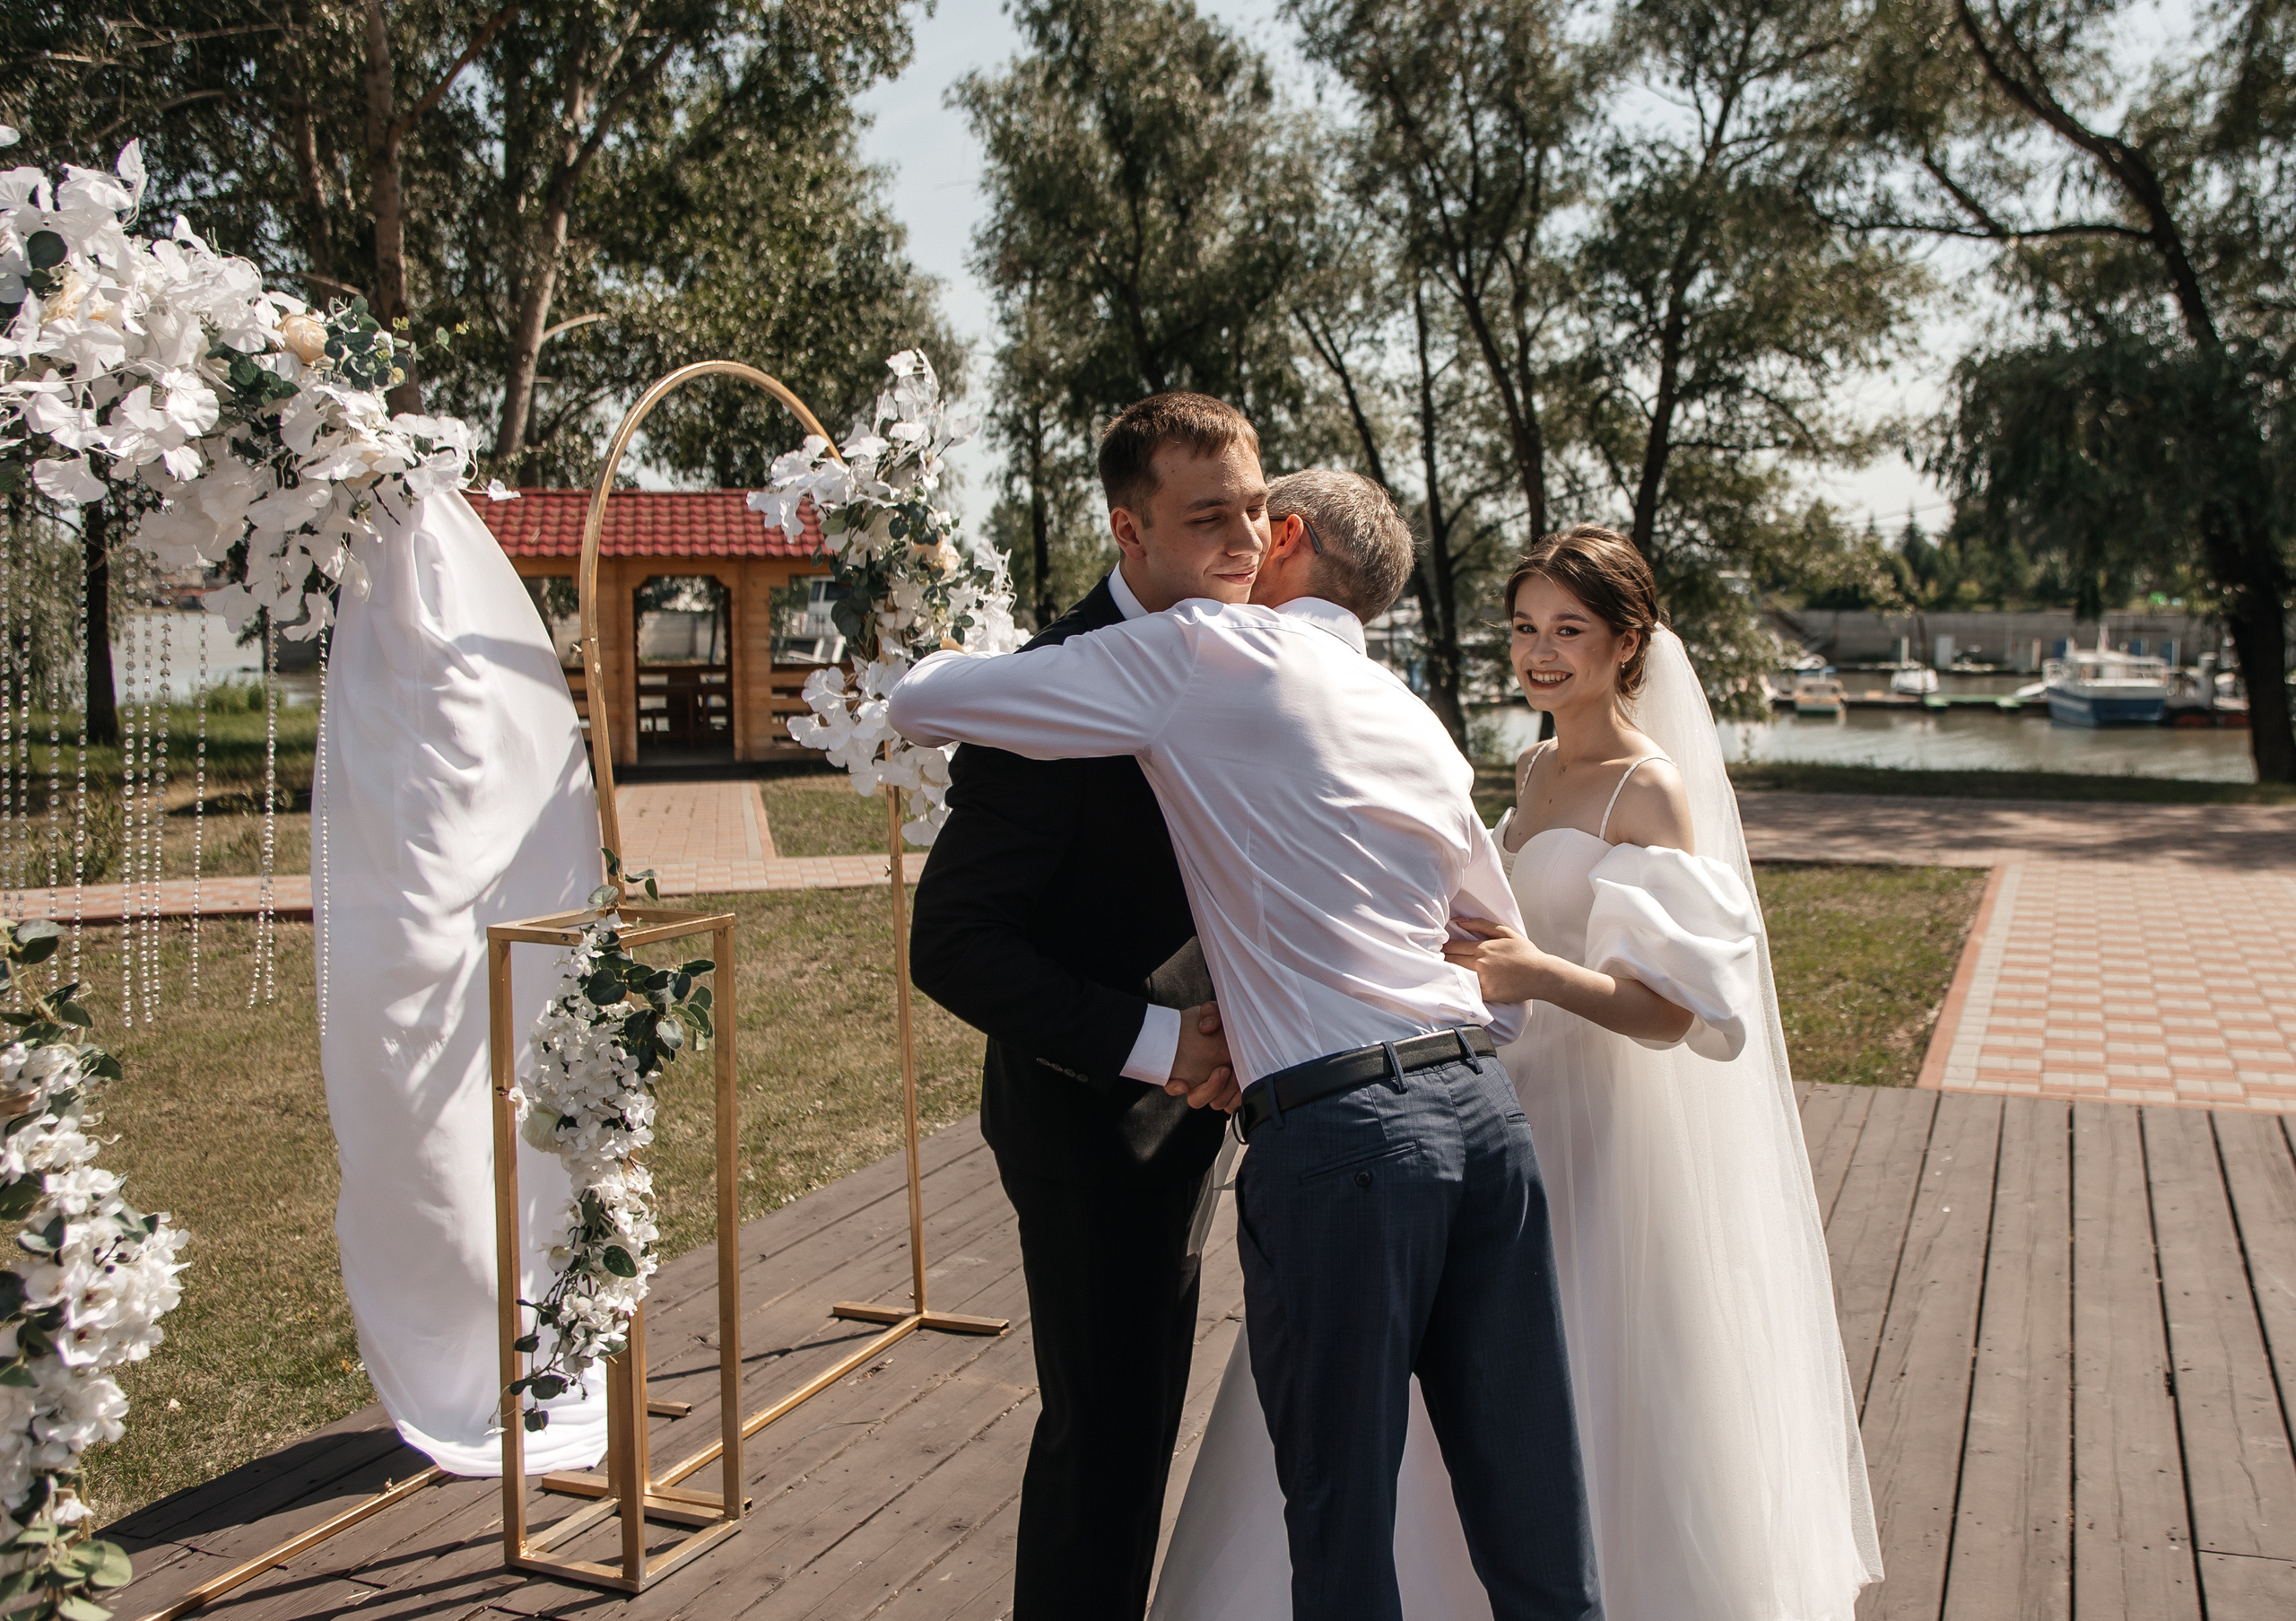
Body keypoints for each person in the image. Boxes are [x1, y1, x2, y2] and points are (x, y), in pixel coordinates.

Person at [891, 466, 1601, 1621]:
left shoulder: (1208, 651)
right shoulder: (1415, 721)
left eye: (1250, 519)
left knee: (1341, 1528)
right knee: (1536, 1518)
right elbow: (1496, 964)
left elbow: (927, 699)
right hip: (1482, 1117)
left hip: (1345, 1138)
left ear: (1286, 539)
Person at [1152, 523, 1883, 1620]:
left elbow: (1669, 1013)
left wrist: (1535, 971)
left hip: (1592, 1121)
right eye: (1525, 628)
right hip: (1483, 1096)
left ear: (1626, 643)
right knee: (1438, 1382)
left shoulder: (1648, 789)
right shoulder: (1532, 768)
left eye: (1568, 630)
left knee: (1555, 1382)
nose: (1540, 653)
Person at [906, 392, 1263, 1621]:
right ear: (1129, 528)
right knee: (1105, 1437)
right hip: (1092, 1127)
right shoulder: (1050, 690)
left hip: (1196, 1113)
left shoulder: (1239, 647)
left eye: (1256, 508)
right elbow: (954, 943)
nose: (1246, 540)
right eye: (1208, 516)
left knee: (1146, 1411)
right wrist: (1162, 1044)